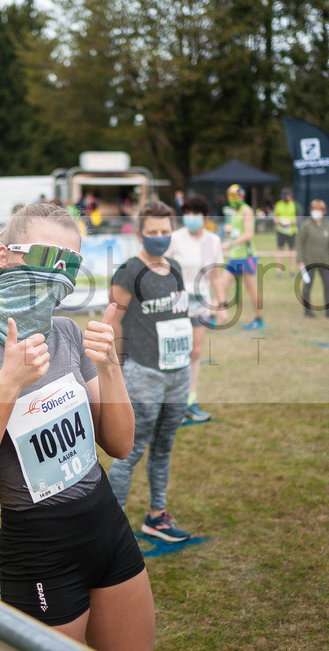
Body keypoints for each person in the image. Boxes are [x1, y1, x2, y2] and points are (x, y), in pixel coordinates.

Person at [0, 203, 153, 647]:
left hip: (107, 523)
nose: (59, 273)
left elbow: (121, 445)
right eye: (48, 256)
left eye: (71, 263)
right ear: (5, 255)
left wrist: (109, 368)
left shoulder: (65, 333)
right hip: (41, 547)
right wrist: (8, 383)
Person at [108, 200, 193, 542]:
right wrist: (114, 369)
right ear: (140, 233)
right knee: (130, 450)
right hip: (143, 373)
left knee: (164, 447)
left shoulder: (174, 267)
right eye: (153, 232)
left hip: (177, 374)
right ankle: (110, 527)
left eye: (165, 231)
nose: (160, 237)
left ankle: (157, 516)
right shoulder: (128, 271)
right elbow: (113, 319)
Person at [166, 194, 227, 422]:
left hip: (202, 302)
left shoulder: (213, 241)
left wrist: (221, 305)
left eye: (195, 213)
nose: (191, 217)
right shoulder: (174, 238)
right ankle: (173, 404)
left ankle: (190, 401)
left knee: (196, 352)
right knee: (175, 352)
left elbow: (215, 276)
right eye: (187, 213)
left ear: (205, 216)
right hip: (176, 302)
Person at [221, 184, 264, 329]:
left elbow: (248, 234)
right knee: (222, 285)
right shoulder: (233, 211)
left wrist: (230, 243)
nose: (232, 199)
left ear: (241, 196)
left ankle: (259, 318)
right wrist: (229, 233)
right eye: (230, 196)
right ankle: (215, 315)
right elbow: (236, 231)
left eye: (234, 196)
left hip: (246, 256)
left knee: (251, 289)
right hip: (234, 256)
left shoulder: (247, 211)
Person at [297, 200, 329, 318]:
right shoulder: (306, 225)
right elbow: (299, 243)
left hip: (325, 261)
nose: (316, 212)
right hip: (309, 261)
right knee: (308, 285)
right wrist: (300, 261)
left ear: (324, 211)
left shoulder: (328, 226)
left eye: (319, 210)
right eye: (314, 209)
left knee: (328, 286)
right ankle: (307, 311)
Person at [273, 187, 300, 279]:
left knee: (291, 252)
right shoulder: (278, 204)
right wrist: (278, 221)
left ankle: (292, 272)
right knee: (280, 251)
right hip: (281, 231)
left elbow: (298, 219)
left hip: (291, 232)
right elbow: (275, 217)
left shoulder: (294, 205)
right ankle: (278, 272)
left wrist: (290, 222)